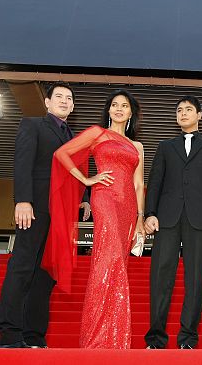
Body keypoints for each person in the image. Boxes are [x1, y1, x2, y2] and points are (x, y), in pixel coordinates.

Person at [44, 89, 146, 349]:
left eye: (124, 106)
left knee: (117, 263)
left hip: (128, 208)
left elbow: (138, 184)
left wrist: (140, 218)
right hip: (105, 200)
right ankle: (98, 337)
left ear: (131, 112)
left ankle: (114, 335)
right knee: (106, 261)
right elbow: (61, 154)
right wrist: (87, 180)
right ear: (109, 110)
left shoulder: (137, 146)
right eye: (114, 105)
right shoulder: (96, 134)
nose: (119, 109)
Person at [0, 82, 89, 349]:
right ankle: (9, 334)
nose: (64, 101)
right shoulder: (32, 125)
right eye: (58, 96)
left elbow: (74, 171)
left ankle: (34, 336)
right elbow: (22, 163)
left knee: (46, 273)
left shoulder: (73, 137)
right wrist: (22, 200)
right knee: (23, 265)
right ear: (47, 102)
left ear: (73, 106)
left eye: (69, 98)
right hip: (35, 207)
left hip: (62, 212)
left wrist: (83, 200)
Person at [143, 96, 202, 349]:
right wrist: (150, 213)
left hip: (200, 220)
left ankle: (188, 338)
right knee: (160, 278)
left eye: (188, 110)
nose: (183, 114)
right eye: (179, 110)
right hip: (167, 219)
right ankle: (156, 339)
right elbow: (155, 181)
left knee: (195, 280)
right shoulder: (165, 146)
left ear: (199, 115)